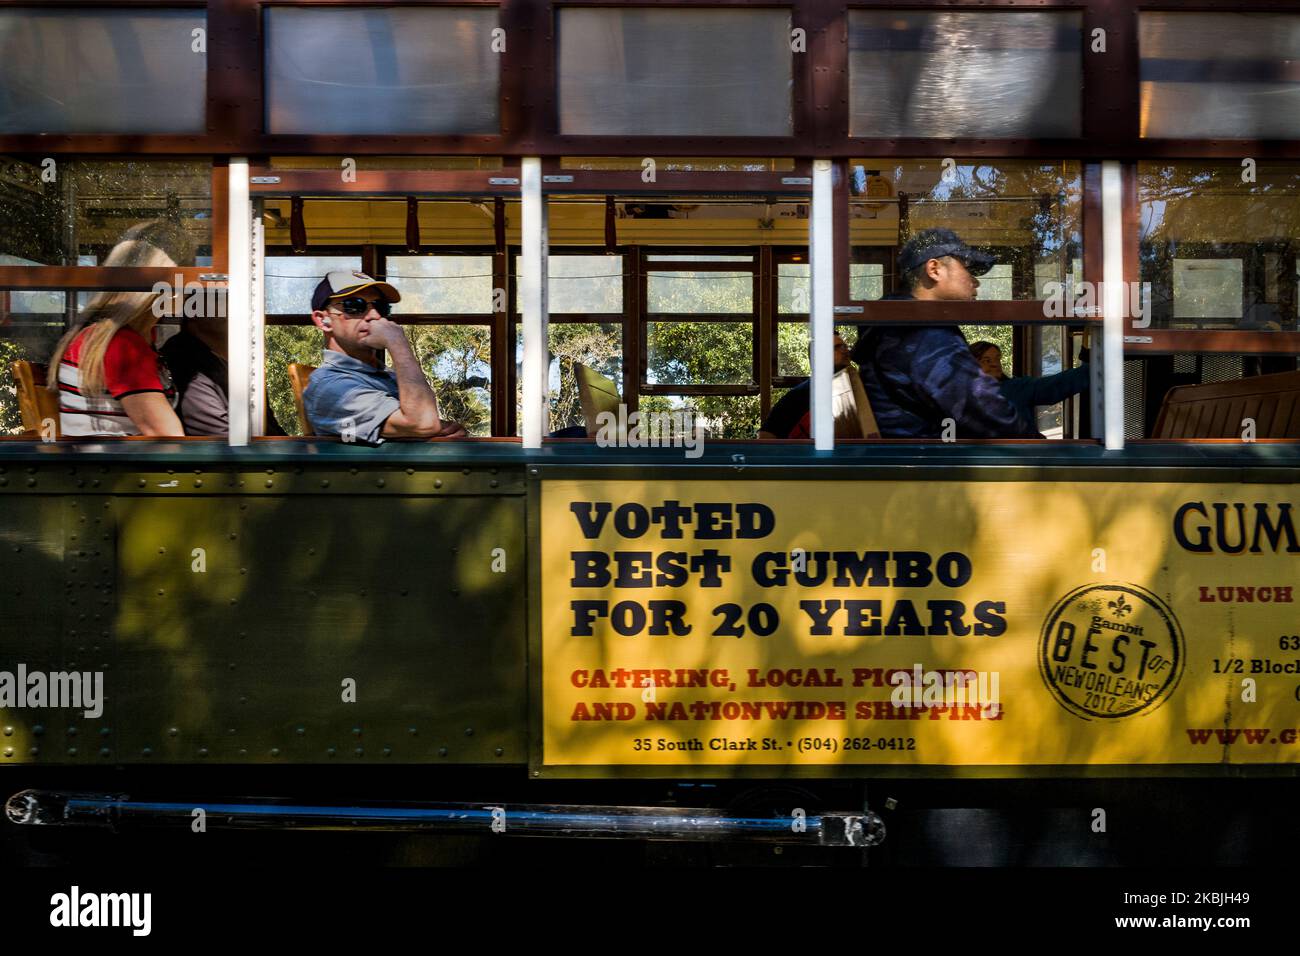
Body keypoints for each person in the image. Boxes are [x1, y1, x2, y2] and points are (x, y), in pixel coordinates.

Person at [853, 228, 1038, 439]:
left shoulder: (894, 323)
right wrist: (1043, 448)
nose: (976, 282)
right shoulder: (926, 334)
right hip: (927, 462)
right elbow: (990, 413)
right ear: (935, 269)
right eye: (967, 268)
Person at [47, 220, 191, 437]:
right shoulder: (122, 345)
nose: (194, 288)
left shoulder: (101, 336)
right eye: (187, 278)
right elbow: (167, 436)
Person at [303, 270, 465, 443]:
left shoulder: (383, 376)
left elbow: (424, 422)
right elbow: (422, 423)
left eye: (380, 307)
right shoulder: (329, 386)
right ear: (322, 320)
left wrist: (443, 430)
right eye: (355, 305)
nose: (375, 316)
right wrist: (397, 342)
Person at [759, 334, 879, 439]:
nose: (845, 351)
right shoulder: (798, 396)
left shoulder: (856, 388)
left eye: (845, 346)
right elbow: (766, 437)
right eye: (837, 348)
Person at [969, 340, 1090, 432]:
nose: (995, 364)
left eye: (997, 359)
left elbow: (1054, 386)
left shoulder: (1016, 388)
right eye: (986, 361)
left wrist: (1091, 369)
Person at [160, 315, 228, 436]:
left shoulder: (227, 361)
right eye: (219, 299)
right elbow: (219, 436)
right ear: (196, 309)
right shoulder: (183, 356)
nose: (230, 307)